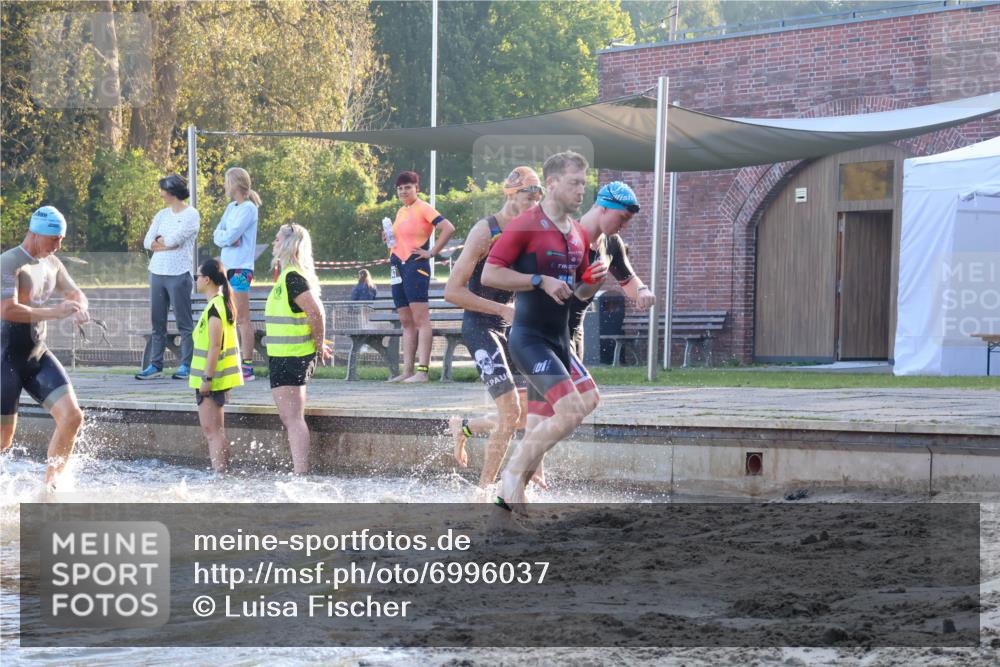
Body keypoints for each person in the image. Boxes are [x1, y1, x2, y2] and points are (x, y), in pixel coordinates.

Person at [482, 151, 608, 517]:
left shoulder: (579, 234)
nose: (581, 190)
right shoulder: (525, 225)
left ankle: (516, 491)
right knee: (569, 411)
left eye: (584, 183)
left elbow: (578, 294)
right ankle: (511, 478)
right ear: (551, 183)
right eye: (574, 182)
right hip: (529, 338)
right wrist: (539, 279)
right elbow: (491, 274)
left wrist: (592, 284)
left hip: (559, 341)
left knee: (588, 401)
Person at [443, 166, 542, 488]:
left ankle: (466, 427)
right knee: (511, 410)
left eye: (539, 195)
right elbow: (453, 292)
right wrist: (504, 309)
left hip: (510, 326)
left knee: (524, 414)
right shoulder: (485, 232)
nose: (536, 202)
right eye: (531, 194)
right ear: (511, 193)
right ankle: (484, 491)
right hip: (481, 324)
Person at [1, 206, 88, 487]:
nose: (59, 246)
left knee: (72, 417)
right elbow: (8, 310)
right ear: (36, 234)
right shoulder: (9, 262)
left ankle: (52, 488)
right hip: (5, 358)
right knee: (4, 439)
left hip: (37, 355)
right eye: (55, 239)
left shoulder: (52, 264)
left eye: (61, 239)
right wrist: (56, 312)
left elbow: (75, 292)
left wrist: (78, 308)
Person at [265, 224, 332, 474]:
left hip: (292, 357)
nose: (273, 242)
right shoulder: (286, 276)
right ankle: (299, 470)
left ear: (290, 244)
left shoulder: (293, 277)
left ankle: (300, 472)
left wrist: (319, 344)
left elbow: (316, 312)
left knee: (293, 418)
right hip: (283, 356)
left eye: (277, 238)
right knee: (289, 418)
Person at [569, 181, 655, 359]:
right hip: (547, 330)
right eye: (622, 218)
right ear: (604, 208)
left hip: (575, 329)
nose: (624, 225)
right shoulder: (565, 236)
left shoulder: (612, 243)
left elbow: (629, 279)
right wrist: (583, 282)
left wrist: (642, 291)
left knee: (578, 387)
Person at [384, 171, 455, 383]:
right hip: (397, 263)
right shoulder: (401, 211)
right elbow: (401, 237)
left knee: (420, 319)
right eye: (400, 188)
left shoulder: (423, 207)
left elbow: (448, 228)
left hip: (416, 265)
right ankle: (407, 371)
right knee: (405, 320)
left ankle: (422, 371)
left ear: (416, 188)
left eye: (408, 187)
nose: (404, 191)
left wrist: (432, 252)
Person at [136, 174, 200, 380]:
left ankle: (187, 365)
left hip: (179, 274)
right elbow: (147, 242)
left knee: (184, 322)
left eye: (163, 189)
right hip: (157, 273)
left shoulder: (191, 215)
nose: (161, 193)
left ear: (172, 192)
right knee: (158, 322)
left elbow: (175, 240)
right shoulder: (162, 214)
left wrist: (163, 242)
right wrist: (162, 243)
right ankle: (155, 365)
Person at [190, 258, 244, 473]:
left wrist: (207, 379)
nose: (195, 280)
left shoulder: (215, 309)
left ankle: (219, 475)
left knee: (213, 432)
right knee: (214, 431)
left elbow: (214, 347)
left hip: (212, 380)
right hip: (215, 378)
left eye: (197, 276)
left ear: (207, 279)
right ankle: (220, 473)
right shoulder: (220, 304)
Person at [213, 167, 261, 382]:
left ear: (235, 183)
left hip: (241, 268)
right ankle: (229, 361)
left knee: (242, 318)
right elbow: (219, 234)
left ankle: (247, 365)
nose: (224, 185)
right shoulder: (230, 208)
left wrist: (228, 237)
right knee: (227, 316)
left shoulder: (249, 208)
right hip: (226, 267)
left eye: (226, 181)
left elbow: (233, 234)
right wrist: (227, 239)